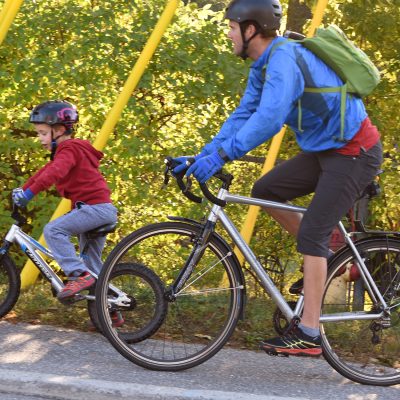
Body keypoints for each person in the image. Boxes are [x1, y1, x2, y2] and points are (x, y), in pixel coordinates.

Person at [172, 0, 383, 357]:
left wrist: (224, 155)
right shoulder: (263, 65)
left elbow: (269, 120)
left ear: (250, 29)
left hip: (354, 152)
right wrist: (205, 153)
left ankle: (309, 333)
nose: (228, 33)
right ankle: (330, 257)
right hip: (324, 150)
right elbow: (244, 114)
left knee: (312, 233)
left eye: (231, 27)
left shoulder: (284, 59)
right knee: (266, 189)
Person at [12, 100, 119, 312]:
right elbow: (44, 172)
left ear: (59, 130)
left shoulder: (69, 148)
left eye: (43, 133)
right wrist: (24, 190)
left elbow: (55, 173)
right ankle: (110, 310)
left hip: (94, 209)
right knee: (93, 265)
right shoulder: (68, 150)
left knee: (54, 229)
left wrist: (30, 193)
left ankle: (78, 276)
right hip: (99, 209)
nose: (40, 138)